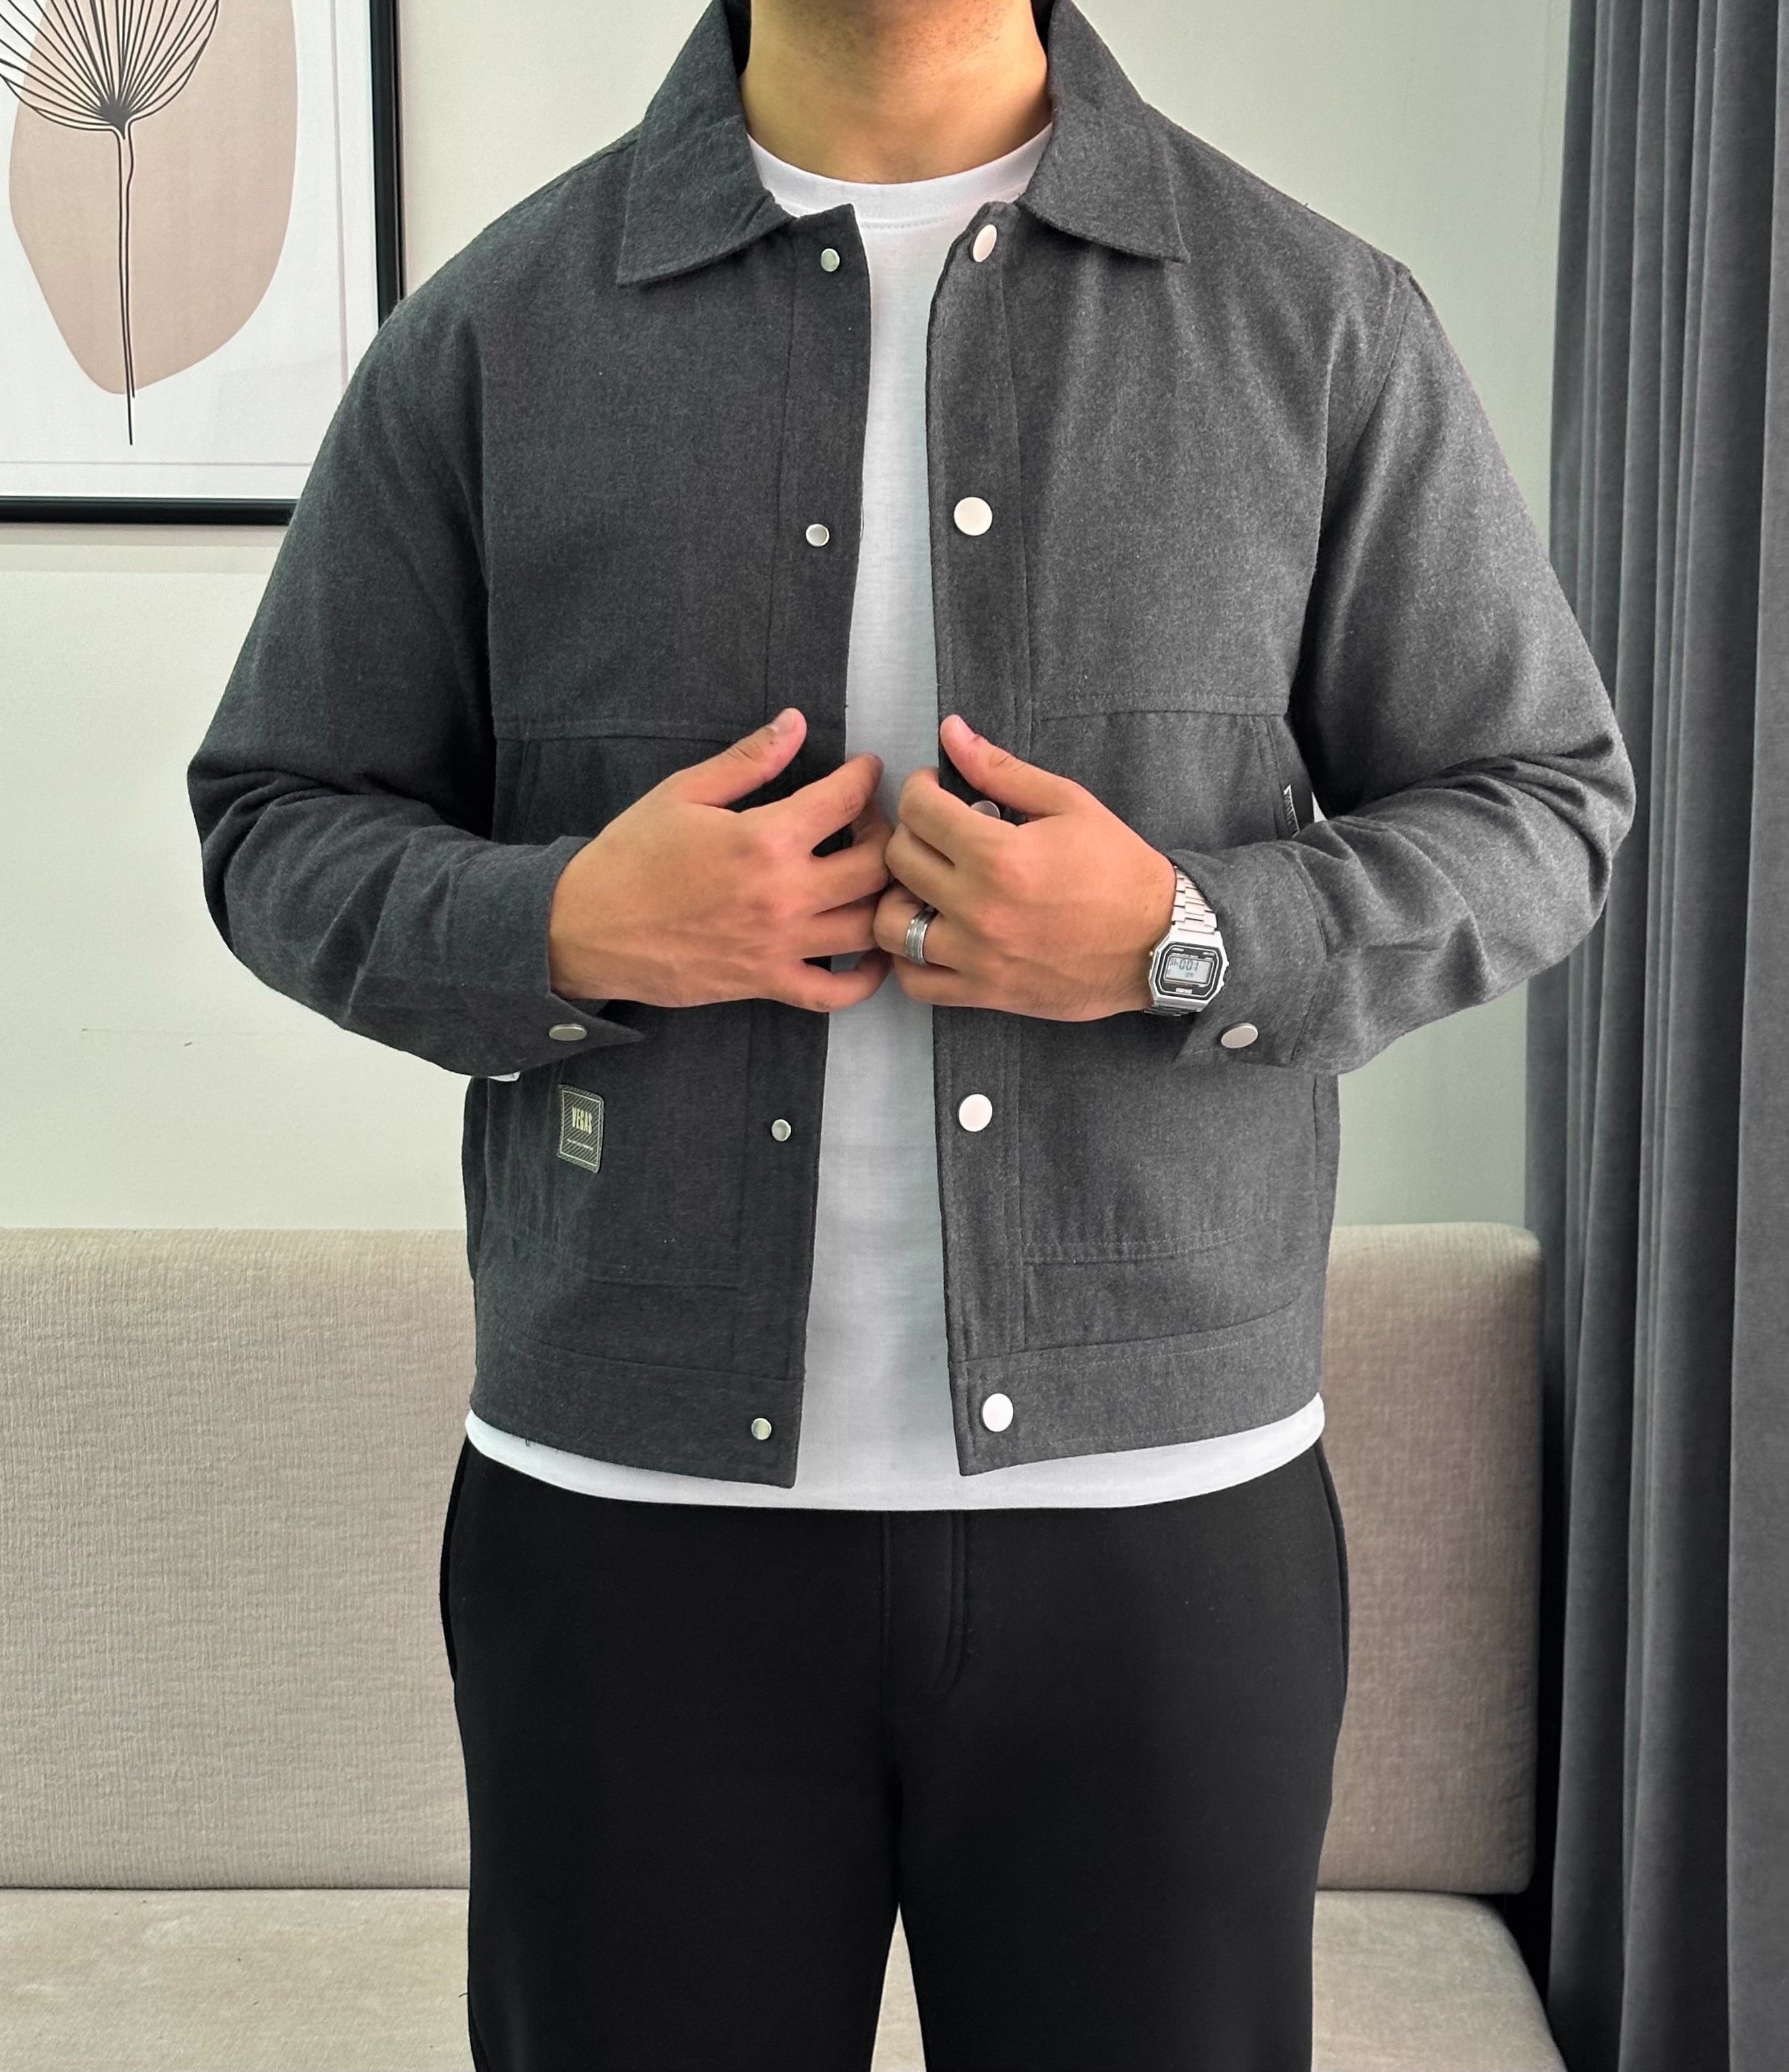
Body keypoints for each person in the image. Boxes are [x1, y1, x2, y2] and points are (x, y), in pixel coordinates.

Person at [187, 0, 1635, 2065]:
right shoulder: (498, 329)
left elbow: (1537, 807)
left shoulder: (1315, 320)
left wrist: (1190, 935)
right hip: (626, 1533)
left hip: (1162, 1534)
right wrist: (560, 924)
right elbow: (276, 819)